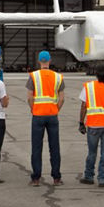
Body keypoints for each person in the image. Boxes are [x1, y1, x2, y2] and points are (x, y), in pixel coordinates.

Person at [78, 63, 104, 187]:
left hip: (93, 125)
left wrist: (81, 122)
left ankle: (89, 176)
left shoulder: (88, 87)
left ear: (96, 73)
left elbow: (83, 106)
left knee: (92, 152)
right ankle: (103, 179)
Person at [27, 50, 65, 186]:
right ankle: (56, 178)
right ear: (49, 61)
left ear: (39, 61)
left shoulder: (33, 76)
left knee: (36, 148)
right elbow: (62, 98)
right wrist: (56, 109)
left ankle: (36, 178)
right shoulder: (58, 77)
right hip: (52, 115)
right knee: (54, 147)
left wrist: (33, 109)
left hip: (38, 115)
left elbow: (30, 97)